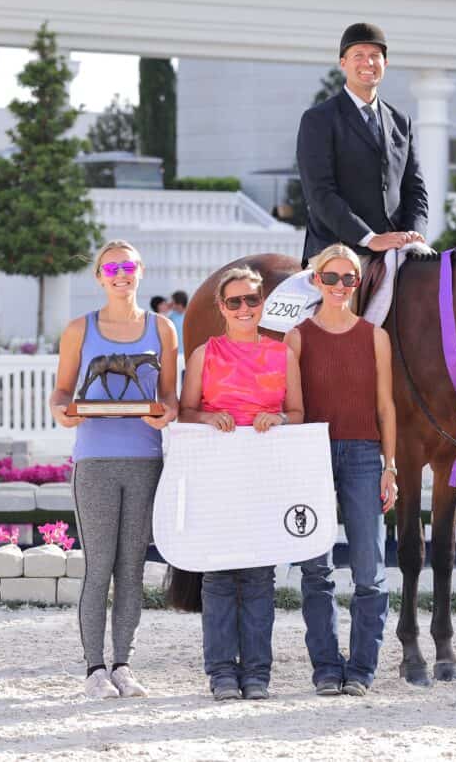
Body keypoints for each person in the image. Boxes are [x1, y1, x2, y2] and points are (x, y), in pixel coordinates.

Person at [49, 240, 179, 699]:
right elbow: (62, 394)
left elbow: (172, 398)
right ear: (100, 277)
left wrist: (164, 414)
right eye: (111, 267)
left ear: (140, 271)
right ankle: (94, 670)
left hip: (145, 461)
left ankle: (123, 663)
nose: (120, 273)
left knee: (131, 568)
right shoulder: (79, 330)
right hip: (96, 460)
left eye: (128, 265)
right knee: (98, 567)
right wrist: (64, 413)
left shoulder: (162, 329)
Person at [177, 266, 304, 701]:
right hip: (217, 473)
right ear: (222, 307)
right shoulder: (203, 354)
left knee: (258, 577)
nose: (245, 308)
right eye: (235, 301)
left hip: (265, 475)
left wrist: (281, 417)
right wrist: (209, 417)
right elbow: (185, 412)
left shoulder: (282, 354)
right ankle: (220, 673)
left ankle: (256, 673)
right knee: (216, 576)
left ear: (263, 303)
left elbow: (299, 414)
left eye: (252, 299)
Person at [286, 243, 398, 697]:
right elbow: (291, 407)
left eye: (347, 279)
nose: (338, 286)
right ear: (316, 281)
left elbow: (386, 407)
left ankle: (363, 668)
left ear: (357, 284)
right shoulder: (296, 337)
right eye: (329, 278)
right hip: (310, 453)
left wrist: (391, 467)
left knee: (369, 570)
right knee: (316, 569)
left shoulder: (375, 336)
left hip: (364, 454)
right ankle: (326, 668)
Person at [296, 22, 428, 264]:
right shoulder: (319, 119)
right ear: (343, 63)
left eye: (375, 56)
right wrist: (369, 238)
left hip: (397, 250)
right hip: (338, 253)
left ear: (385, 64)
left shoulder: (401, 121)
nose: (368, 63)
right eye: (359, 55)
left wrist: (413, 234)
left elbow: (416, 190)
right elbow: (320, 193)